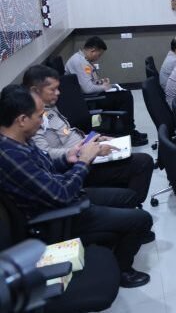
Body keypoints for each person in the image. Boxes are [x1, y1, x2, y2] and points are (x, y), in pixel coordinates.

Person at [0, 85, 153, 288]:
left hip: (64, 194)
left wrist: (68, 157)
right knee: (142, 219)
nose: (43, 120)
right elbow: (61, 194)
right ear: (21, 120)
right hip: (57, 216)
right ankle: (122, 271)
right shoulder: (11, 155)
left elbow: (46, 167)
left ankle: (114, 238)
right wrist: (84, 161)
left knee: (128, 198)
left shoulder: (21, 140)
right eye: (39, 116)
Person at [24, 65, 154, 206]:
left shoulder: (49, 107)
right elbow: (46, 154)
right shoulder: (32, 119)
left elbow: (68, 133)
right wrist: (83, 152)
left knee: (132, 156)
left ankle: (124, 205)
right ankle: (125, 205)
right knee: (142, 162)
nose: (58, 93)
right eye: (52, 89)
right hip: (76, 166)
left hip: (85, 154)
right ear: (35, 91)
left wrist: (95, 138)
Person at [64, 36, 147, 146]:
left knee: (124, 94)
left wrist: (100, 82)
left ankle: (129, 130)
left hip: (91, 96)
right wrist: (104, 87)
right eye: (99, 55)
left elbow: (89, 81)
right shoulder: (79, 62)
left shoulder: (82, 59)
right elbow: (88, 89)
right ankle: (129, 132)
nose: (98, 58)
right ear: (93, 50)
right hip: (88, 100)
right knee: (125, 97)